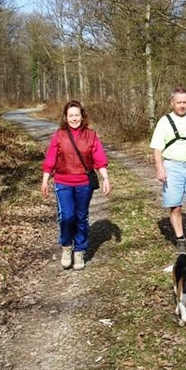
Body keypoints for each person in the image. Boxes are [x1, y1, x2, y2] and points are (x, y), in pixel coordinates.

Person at [41, 100, 111, 270]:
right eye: (71, 115)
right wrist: (45, 179)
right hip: (63, 182)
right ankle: (66, 247)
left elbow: (99, 159)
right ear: (66, 117)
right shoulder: (59, 135)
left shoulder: (91, 135)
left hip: (84, 184)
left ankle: (79, 250)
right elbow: (50, 158)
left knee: (81, 217)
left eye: (77, 115)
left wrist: (105, 178)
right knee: (67, 217)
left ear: (82, 116)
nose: (74, 118)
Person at [150, 87, 186, 255]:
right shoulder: (164, 121)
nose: (182, 105)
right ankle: (180, 239)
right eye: (179, 102)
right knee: (175, 207)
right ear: (172, 103)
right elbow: (157, 148)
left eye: (185, 102)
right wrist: (159, 167)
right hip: (172, 167)